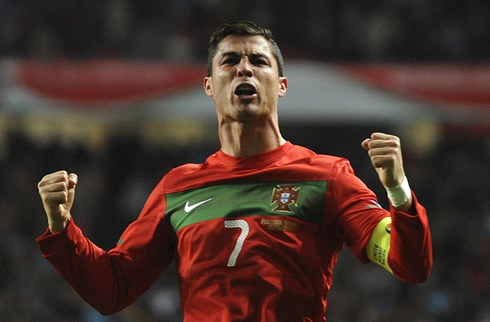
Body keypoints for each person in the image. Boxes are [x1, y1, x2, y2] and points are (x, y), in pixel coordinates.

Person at [37, 21, 432, 321]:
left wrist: (398, 190)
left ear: (281, 85)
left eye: (258, 61)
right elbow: (113, 290)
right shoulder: (178, 186)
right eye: (230, 61)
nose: (244, 69)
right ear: (210, 85)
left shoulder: (328, 177)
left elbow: (409, 265)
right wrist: (61, 227)